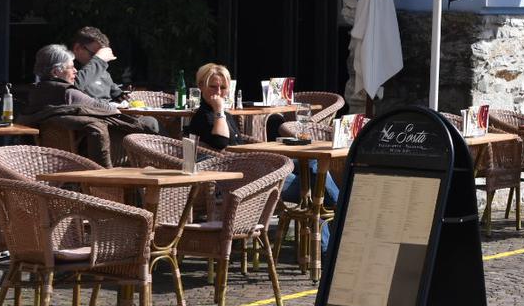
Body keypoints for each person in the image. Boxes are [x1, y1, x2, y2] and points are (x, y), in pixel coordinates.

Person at [186, 63, 339, 247]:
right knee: (316, 190)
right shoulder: (204, 115)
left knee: (313, 164)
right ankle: (340, 213)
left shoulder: (225, 114)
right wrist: (219, 110)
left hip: (252, 167)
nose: (218, 91)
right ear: (201, 86)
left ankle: (337, 215)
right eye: (213, 86)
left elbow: (239, 143)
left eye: (223, 87)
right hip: (243, 178)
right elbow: (220, 142)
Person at [22, 44, 156, 165]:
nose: (75, 70)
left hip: (56, 156)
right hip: (91, 151)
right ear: (56, 72)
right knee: (150, 123)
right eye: (71, 66)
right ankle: (162, 163)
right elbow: (106, 110)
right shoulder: (68, 94)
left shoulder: (36, 92)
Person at [70, 26, 158, 133]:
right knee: (150, 124)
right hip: (93, 122)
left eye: (100, 56)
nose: (100, 60)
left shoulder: (101, 72)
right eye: (94, 54)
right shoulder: (67, 67)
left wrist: (122, 96)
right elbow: (73, 86)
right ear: (77, 48)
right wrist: (99, 60)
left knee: (153, 122)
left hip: (111, 116)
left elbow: (115, 92)